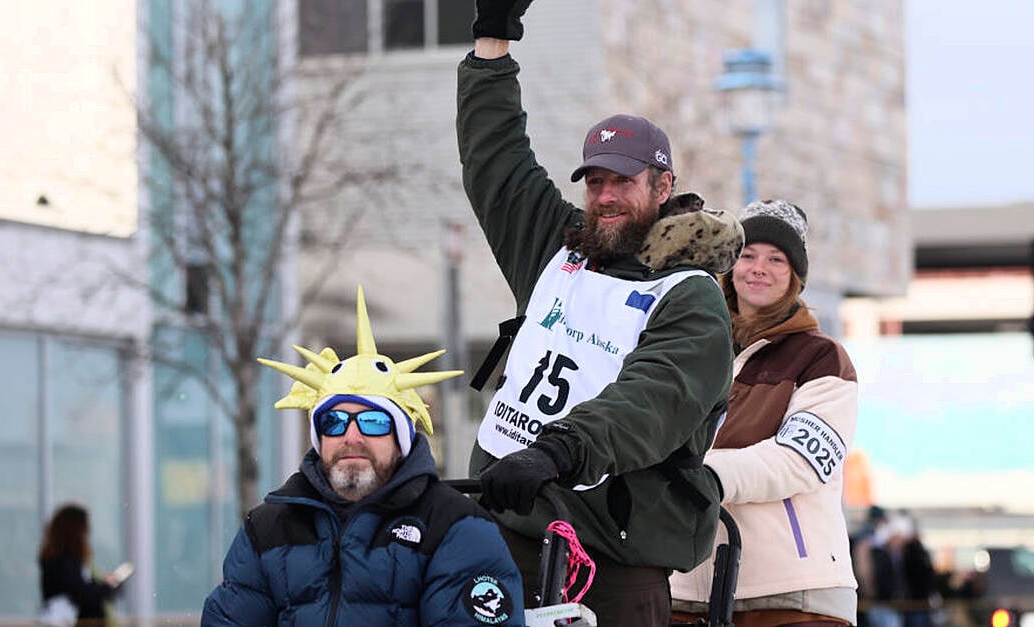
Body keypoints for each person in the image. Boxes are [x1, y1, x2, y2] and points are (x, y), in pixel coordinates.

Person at [458, 3, 744, 624]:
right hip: (509, 527)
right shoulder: (559, 250)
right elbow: (496, 165)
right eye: (594, 182)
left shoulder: (691, 296)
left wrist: (559, 450)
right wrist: (492, 44)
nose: (606, 196)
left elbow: (652, 398)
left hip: (611, 557)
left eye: (623, 181)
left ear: (662, 187)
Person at [201, 287, 525, 627]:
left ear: (401, 437)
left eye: (373, 422)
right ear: (319, 436)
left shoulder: (457, 529)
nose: (351, 437)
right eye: (334, 421)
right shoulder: (267, 530)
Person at [669, 199, 860, 626]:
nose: (759, 267)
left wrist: (706, 474)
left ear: (795, 277)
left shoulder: (823, 358)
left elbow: (800, 460)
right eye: (748, 254)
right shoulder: (691, 350)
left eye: (776, 259)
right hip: (681, 587)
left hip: (792, 594)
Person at [38, 503, 124, 627]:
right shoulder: (63, 563)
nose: (87, 536)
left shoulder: (67, 562)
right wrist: (106, 587)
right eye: (85, 530)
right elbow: (82, 594)